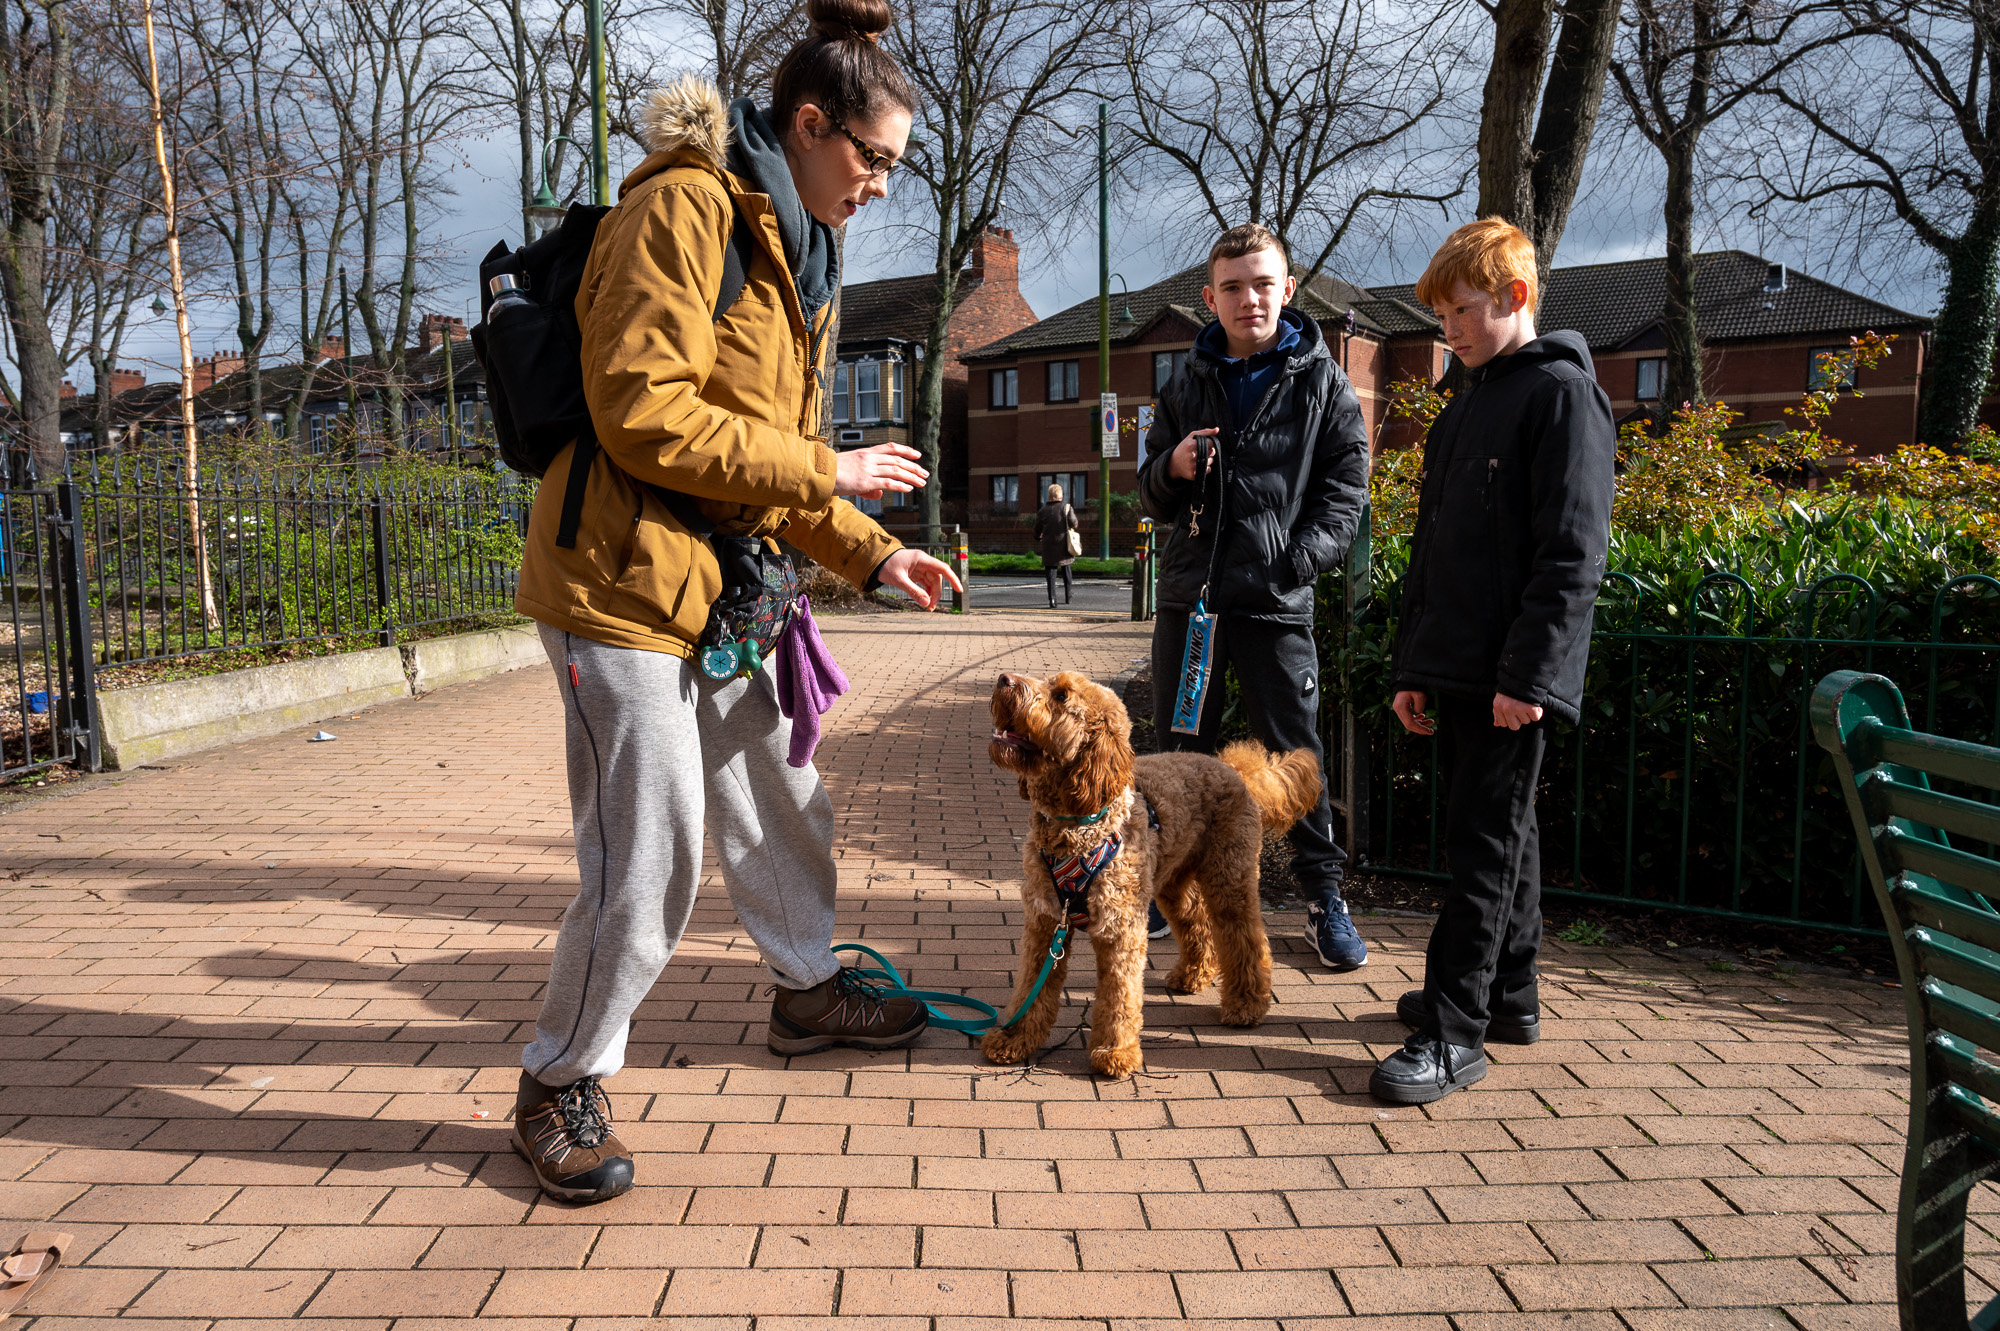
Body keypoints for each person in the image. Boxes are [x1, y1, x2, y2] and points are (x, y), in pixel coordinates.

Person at [507, 0, 962, 1204]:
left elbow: (767, 451)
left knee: (780, 789)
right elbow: (642, 413)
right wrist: (830, 473)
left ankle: (809, 991)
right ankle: (558, 1079)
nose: (878, 186)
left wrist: (871, 555)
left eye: (892, 170)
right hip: (616, 582)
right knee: (648, 844)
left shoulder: (802, 252)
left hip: (720, 586)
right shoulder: (686, 204)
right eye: (872, 158)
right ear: (809, 124)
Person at [1370, 217, 1615, 1106]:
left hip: (1512, 675)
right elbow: (1436, 551)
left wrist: (1529, 679)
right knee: (1506, 831)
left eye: (1464, 310)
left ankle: (1453, 1032)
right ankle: (1507, 996)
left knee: (1482, 841)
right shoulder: (1467, 401)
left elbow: (1572, 554)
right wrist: (1412, 666)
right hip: (1465, 666)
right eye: (1441, 316)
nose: (1450, 330)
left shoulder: (1561, 396)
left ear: (1516, 297)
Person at [1136, 223, 1370, 970]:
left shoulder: (1323, 381)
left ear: (1288, 289)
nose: (1249, 299)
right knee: (1177, 757)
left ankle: (1323, 896)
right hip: (1191, 604)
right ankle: (1164, 894)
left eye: (1263, 283)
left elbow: (1346, 494)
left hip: (1274, 606)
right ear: (1211, 298)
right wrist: (1169, 467)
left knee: (1295, 756)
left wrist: (1293, 562)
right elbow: (1150, 494)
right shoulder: (1186, 380)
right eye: (1233, 287)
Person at [1034, 482, 1078, 608]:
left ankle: (1052, 600)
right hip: (1064, 544)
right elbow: (1074, 524)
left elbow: (1037, 529)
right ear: (1061, 495)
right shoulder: (1066, 507)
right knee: (1066, 569)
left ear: (1049, 496)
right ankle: (1068, 596)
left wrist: (1037, 537)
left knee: (1051, 574)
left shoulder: (1042, 511)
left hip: (1049, 546)